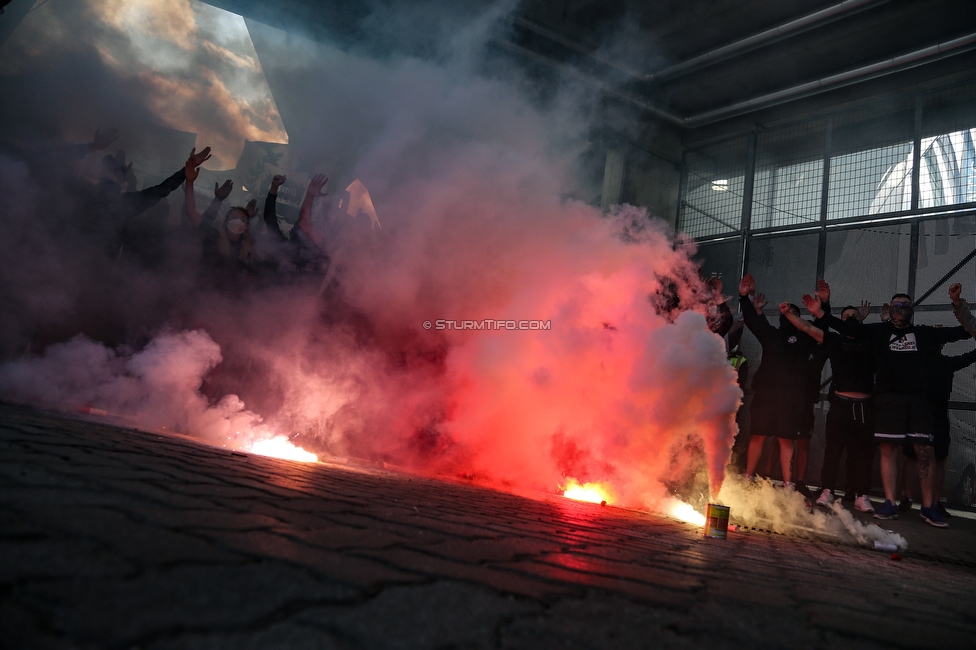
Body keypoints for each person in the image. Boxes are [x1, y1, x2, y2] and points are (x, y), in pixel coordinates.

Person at [805, 284, 971, 527]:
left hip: (918, 400)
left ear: (911, 311)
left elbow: (964, 332)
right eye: (897, 305)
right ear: (891, 310)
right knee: (888, 449)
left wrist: (957, 303)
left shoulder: (924, 334)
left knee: (925, 451)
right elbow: (845, 328)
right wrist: (821, 313)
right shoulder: (880, 332)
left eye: (905, 305)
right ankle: (890, 502)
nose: (901, 309)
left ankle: (928, 507)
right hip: (888, 399)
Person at [780, 293, 876, 513]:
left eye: (855, 317)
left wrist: (862, 321)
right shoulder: (834, 340)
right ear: (840, 321)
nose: (850, 319)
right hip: (840, 404)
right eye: (847, 316)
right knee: (832, 451)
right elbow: (807, 328)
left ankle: (862, 495)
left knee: (862, 454)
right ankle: (827, 491)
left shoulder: (871, 340)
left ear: (861, 322)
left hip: (864, 406)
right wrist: (787, 314)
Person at [738, 274, 818, 487]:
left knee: (786, 439)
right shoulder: (773, 335)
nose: (787, 316)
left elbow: (821, 329)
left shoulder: (807, 338)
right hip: (766, 395)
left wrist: (821, 309)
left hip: (792, 399)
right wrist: (744, 298)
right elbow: (755, 323)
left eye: (793, 313)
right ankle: (748, 476)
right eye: (785, 313)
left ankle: (788, 482)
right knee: (758, 434)